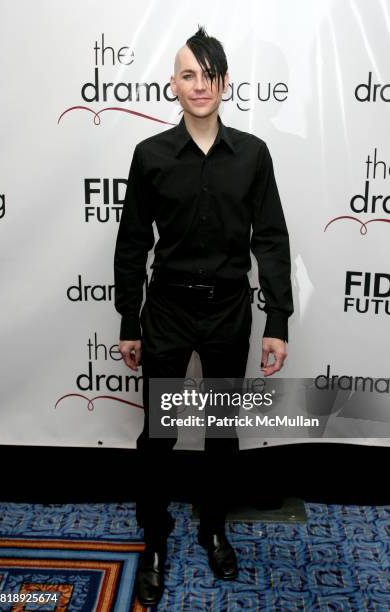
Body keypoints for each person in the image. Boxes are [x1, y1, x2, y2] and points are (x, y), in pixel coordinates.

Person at [114, 25, 293, 607]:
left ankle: (213, 528)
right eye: (188, 74)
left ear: (224, 83)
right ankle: (155, 541)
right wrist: (128, 322)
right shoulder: (150, 156)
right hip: (166, 310)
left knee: (220, 434)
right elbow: (132, 243)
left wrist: (279, 321)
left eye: (209, 74)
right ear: (173, 84)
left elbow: (270, 239)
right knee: (159, 436)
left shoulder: (254, 155)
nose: (199, 85)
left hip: (227, 313)